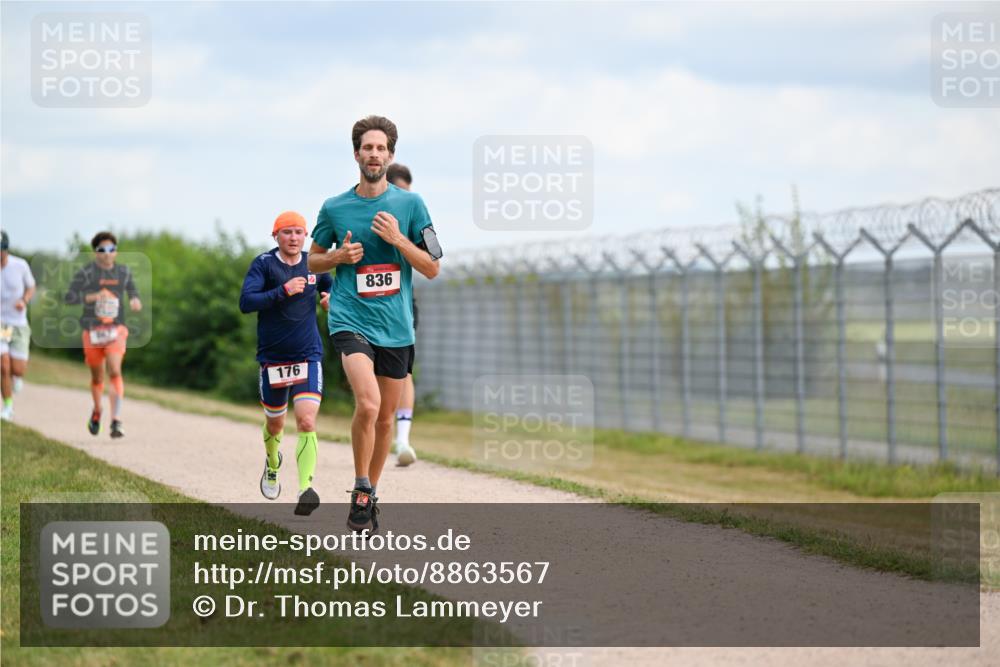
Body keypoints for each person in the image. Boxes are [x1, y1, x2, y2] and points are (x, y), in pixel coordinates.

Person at [309, 115, 442, 533]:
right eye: (367, 147)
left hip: (396, 326)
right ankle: (360, 482)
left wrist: (399, 241)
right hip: (350, 318)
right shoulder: (334, 207)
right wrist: (336, 258)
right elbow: (310, 260)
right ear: (356, 154)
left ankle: (369, 495)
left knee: (386, 418)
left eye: (381, 148)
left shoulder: (411, 205)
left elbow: (433, 267)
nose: (374, 154)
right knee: (367, 404)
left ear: (391, 155)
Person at [239, 212, 332, 516]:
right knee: (275, 423)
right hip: (273, 359)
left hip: (308, 355)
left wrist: (332, 298)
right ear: (275, 235)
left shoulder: (314, 263)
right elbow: (246, 302)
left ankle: (306, 488)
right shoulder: (264, 264)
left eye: (299, 232)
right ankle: (272, 462)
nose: (293, 237)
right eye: (287, 232)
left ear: (306, 236)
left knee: (306, 420)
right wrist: (281, 291)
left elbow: (331, 286)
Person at [64, 232, 141, 438]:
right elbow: (69, 297)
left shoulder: (123, 272)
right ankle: (97, 410)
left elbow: (133, 291)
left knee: (115, 370)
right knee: (97, 376)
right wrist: (94, 296)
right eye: (102, 250)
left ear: (116, 252)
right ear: (96, 253)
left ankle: (116, 421)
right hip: (92, 331)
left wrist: (135, 300)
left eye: (111, 249)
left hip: (116, 329)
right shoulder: (86, 273)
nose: (107, 254)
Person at [385, 163, 418, 467]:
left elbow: (432, 262)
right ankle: (378, 430)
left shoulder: (414, 215)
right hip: (365, 307)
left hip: (404, 304)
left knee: (404, 373)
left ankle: (403, 440)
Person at [1, 231, 36, 421]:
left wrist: (24, 299)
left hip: (19, 324)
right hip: (1, 325)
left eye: (2, 250)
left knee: (17, 369)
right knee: (3, 366)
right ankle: (8, 407)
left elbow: (31, 286)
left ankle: (17, 377)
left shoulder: (20, 265)